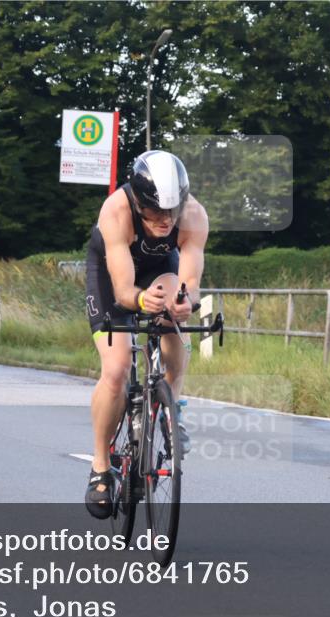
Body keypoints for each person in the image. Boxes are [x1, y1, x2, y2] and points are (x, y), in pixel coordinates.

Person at [83, 150, 209, 519]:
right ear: (139, 203)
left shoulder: (194, 215)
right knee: (117, 369)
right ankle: (101, 466)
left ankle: (171, 408)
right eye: (155, 211)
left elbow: (191, 282)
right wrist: (140, 299)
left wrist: (186, 302)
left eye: (172, 210)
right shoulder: (116, 211)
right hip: (113, 276)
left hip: (159, 269)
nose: (166, 219)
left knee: (175, 313)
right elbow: (124, 292)